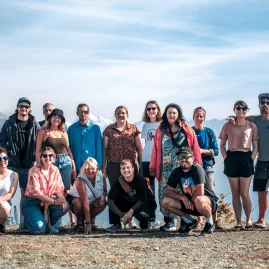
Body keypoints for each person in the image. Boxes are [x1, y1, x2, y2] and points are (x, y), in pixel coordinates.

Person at [149, 103, 202, 231]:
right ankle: (169, 222)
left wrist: (197, 167)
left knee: (183, 194)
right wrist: (153, 167)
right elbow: (155, 150)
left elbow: (194, 148)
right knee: (164, 194)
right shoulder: (161, 129)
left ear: (178, 114)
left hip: (183, 170)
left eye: (174, 113)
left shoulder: (186, 129)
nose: (172, 115)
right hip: (165, 170)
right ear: (165, 115)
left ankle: (185, 221)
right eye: (169, 113)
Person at [0, 97, 40, 229]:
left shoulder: (34, 123)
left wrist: (35, 154)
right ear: (17, 107)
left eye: (26, 107)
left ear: (30, 109)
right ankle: (3, 221)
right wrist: (8, 152)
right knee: (7, 192)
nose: (24, 109)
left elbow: (39, 142)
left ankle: (23, 223)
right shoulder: (9, 123)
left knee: (25, 194)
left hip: (28, 164)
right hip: (11, 163)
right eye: (21, 106)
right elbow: (2, 140)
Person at [220, 100, 258, 230]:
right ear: (234, 109)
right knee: (235, 193)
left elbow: (255, 144)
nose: (241, 110)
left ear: (246, 110)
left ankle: (248, 221)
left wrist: (252, 158)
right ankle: (238, 222)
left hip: (246, 157)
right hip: (232, 157)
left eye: (243, 108)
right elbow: (222, 144)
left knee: (244, 193)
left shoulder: (251, 125)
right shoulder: (227, 125)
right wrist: (225, 158)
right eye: (238, 108)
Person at [161, 147, 218, 234]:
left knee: (198, 199)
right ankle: (189, 221)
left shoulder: (197, 168)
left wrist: (190, 201)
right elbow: (168, 191)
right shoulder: (177, 171)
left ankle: (209, 223)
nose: (184, 160)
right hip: (189, 203)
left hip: (206, 202)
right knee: (165, 201)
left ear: (193, 158)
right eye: (181, 157)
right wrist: (183, 198)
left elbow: (200, 192)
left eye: (187, 157)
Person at [102, 105, 143, 228]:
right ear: (115, 115)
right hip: (114, 164)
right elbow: (105, 148)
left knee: (132, 192)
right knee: (115, 192)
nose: (121, 115)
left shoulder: (134, 128)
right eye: (118, 113)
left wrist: (140, 166)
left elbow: (139, 148)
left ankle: (131, 220)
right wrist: (104, 165)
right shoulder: (109, 130)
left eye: (123, 113)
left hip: (130, 165)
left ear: (127, 115)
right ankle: (116, 222)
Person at [22, 147, 69, 233]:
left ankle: (48, 225)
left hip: (47, 202)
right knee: (39, 229)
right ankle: (28, 222)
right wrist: (54, 202)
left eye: (50, 155)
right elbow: (37, 193)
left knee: (66, 206)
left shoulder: (55, 170)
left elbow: (58, 188)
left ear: (54, 157)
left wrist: (62, 200)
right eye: (45, 156)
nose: (48, 158)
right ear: (41, 158)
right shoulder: (34, 170)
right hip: (32, 202)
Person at [241, 93, 269, 229]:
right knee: (262, 192)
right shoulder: (254, 120)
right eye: (262, 102)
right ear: (258, 105)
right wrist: (232, 118)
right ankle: (261, 220)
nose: (265, 105)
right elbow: (241, 118)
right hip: (262, 161)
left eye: (268, 102)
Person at [192, 107, 222, 229]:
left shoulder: (209, 132)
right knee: (194, 192)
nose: (199, 119)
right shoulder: (190, 131)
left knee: (211, 192)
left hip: (207, 166)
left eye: (201, 116)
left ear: (204, 118)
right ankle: (199, 220)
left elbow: (216, 151)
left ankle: (215, 221)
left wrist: (201, 151)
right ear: (193, 117)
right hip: (193, 167)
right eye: (197, 116)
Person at [107, 159, 157, 232]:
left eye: (128, 167)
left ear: (133, 168)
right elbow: (109, 201)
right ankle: (116, 224)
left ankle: (147, 223)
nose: (126, 170)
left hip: (143, 204)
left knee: (143, 217)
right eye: (123, 168)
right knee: (114, 202)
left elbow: (143, 199)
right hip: (129, 202)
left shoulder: (141, 180)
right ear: (120, 170)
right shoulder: (119, 182)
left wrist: (131, 211)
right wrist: (122, 216)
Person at [36, 108, 76, 191]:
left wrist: (73, 167)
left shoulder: (64, 133)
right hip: (50, 161)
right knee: (51, 188)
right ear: (50, 118)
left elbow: (69, 151)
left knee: (66, 189)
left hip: (66, 162)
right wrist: (38, 166)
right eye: (54, 116)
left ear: (61, 120)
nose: (56, 119)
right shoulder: (43, 132)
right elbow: (38, 151)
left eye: (59, 117)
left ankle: (64, 204)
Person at [67, 157, 107, 234]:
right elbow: (85, 201)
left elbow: (105, 191)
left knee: (103, 203)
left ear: (97, 168)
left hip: (91, 201)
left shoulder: (102, 176)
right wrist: (88, 222)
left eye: (93, 168)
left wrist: (103, 197)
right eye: (87, 168)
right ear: (84, 169)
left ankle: (85, 220)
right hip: (78, 201)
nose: (90, 171)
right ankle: (80, 221)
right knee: (77, 202)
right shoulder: (80, 179)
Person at [68, 103, 103, 174]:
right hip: (76, 168)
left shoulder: (95, 128)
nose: (83, 114)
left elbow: (99, 148)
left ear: (89, 113)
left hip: (91, 168)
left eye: (85, 112)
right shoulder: (71, 129)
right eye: (80, 111)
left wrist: (98, 165)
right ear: (77, 113)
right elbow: (69, 148)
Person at [141, 100, 162, 196]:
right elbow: (147, 142)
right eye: (148, 109)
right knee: (148, 185)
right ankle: (150, 208)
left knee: (162, 183)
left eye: (153, 108)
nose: (151, 111)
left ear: (157, 109)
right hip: (146, 159)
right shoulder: (145, 125)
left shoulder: (162, 124)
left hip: (159, 158)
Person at [0, 147, 19, 233]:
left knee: (4, 206)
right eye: (0, 159)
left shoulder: (14, 175)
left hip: (4, 203)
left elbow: (11, 194)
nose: (2, 160)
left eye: (5, 158)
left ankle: (1, 224)